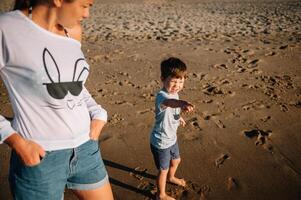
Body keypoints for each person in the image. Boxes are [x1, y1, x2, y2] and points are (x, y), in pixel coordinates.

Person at [0, 0, 114, 199]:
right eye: (84, 5)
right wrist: (17, 142)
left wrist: (97, 112)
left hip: (86, 148)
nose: (87, 14)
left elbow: (73, 85)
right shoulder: (7, 29)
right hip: (40, 158)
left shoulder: (74, 32)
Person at [150, 57, 194, 200]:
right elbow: (171, 103)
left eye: (181, 81)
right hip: (161, 142)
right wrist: (182, 103)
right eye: (174, 81)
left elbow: (172, 109)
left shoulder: (175, 93)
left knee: (176, 161)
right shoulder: (162, 97)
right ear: (163, 78)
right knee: (163, 169)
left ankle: (172, 177)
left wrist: (178, 117)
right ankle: (161, 195)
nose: (177, 85)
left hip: (172, 138)